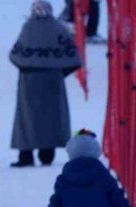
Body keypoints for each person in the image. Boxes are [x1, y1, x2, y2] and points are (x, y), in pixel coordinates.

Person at [9, 1, 82, 168]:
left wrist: (28, 65)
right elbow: (72, 56)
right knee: (52, 118)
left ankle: (25, 155)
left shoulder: (28, 27)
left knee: (27, 119)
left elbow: (16, 55)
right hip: (52, 80)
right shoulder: (58, 28)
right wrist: (58, 71)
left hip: (29, 81)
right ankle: (47, 154)